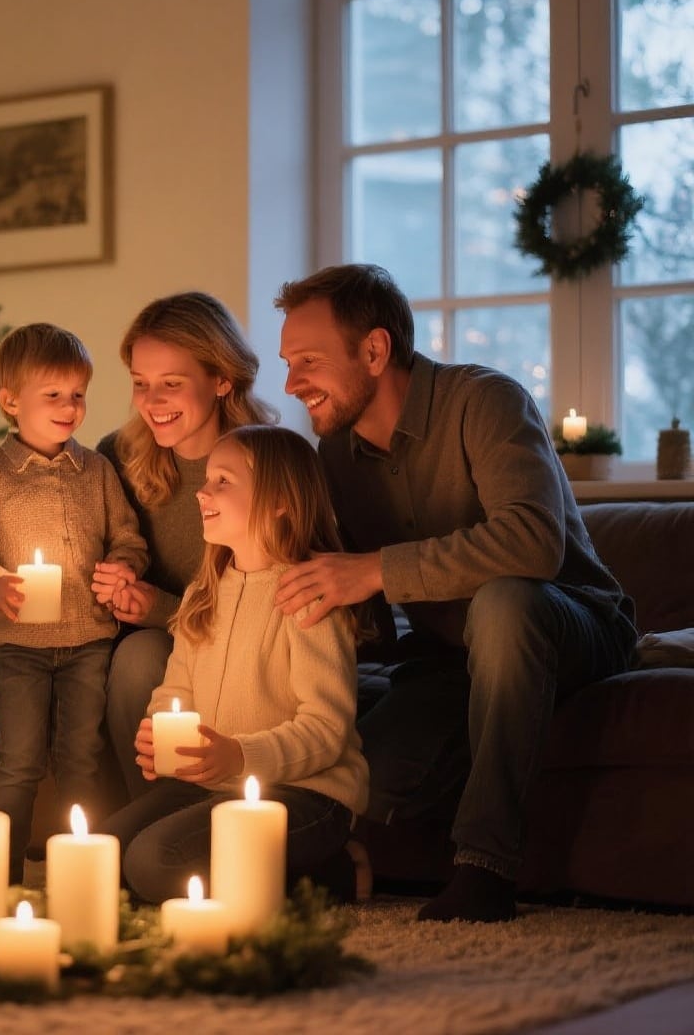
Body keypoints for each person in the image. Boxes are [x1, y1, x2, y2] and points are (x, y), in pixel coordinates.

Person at [273, 263, 637, 923]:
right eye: (288, 362)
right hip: (451, 659)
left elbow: (532, 543)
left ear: (375, 350)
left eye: (308, 361)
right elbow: (370, 612)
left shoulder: (485, 401)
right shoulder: (335, 458)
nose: (293, 382)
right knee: (369, 777)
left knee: (503, 604)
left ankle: (486, 865)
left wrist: (374, 569)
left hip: (571, 623)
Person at [103, 424, 369, 904]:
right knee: (100, 856)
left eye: (223, 480)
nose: (203, 491)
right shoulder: (205, 592)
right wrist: (158, 727)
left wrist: (240, 755)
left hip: (304, 793)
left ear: (279, 500)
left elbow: (326, 729)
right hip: (212, 787)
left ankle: (329, 874)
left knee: (153, 863)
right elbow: (175, 690)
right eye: (207, 479)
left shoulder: (308, 594)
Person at [0, 322, 149, 884]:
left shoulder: (98, 472)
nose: (70, 407)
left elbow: (127, 535)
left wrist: (125, 564)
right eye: (53, 395)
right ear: (10, 401)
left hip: (88, 645)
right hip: (19, 651)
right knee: (17, 759)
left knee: (82, 758)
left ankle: (76, 871)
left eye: (77, 394)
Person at [91, 293, 276, 803]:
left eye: (172, 384)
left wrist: (157, 609)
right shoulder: (117, 458)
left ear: (222, 379)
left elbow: (258, 618)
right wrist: (116, 582)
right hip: (152, 646)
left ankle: (175, 828)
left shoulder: (263, 465)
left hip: (235, 650)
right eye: (141, 384)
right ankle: (153, 816)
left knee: (144, 652)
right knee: (139, 656)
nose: (152, 402)